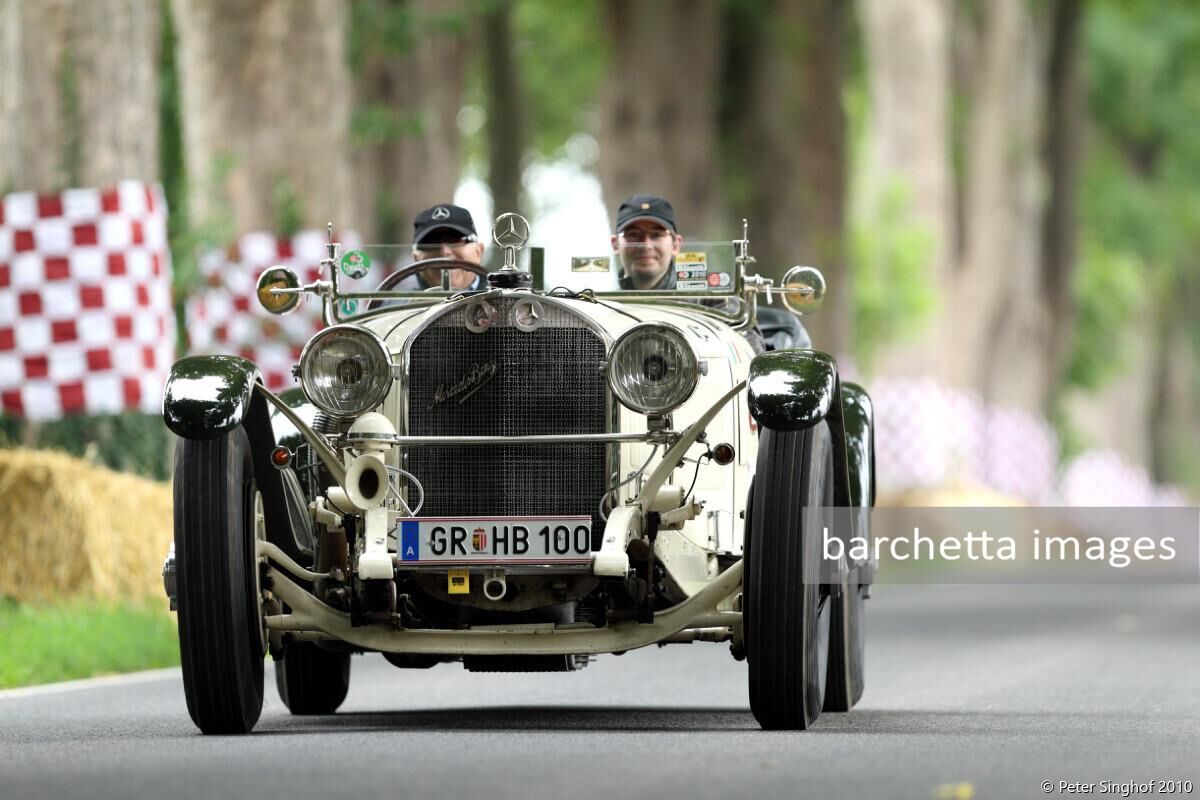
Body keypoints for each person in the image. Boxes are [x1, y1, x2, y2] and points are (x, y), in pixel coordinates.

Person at [610, 194, 808, 351]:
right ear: (615, 244)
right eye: (634, 235)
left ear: (676, 244)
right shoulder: (601, 304)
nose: (645, 245)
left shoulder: (711, 296)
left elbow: (748, 346)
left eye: (656, 235)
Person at [395, 204, 487, 291]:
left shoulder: (499, 301)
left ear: (479, 252)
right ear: (416, 259)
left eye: (454, 239)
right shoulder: (394, 305)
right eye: (431, 242)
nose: (444, 252)